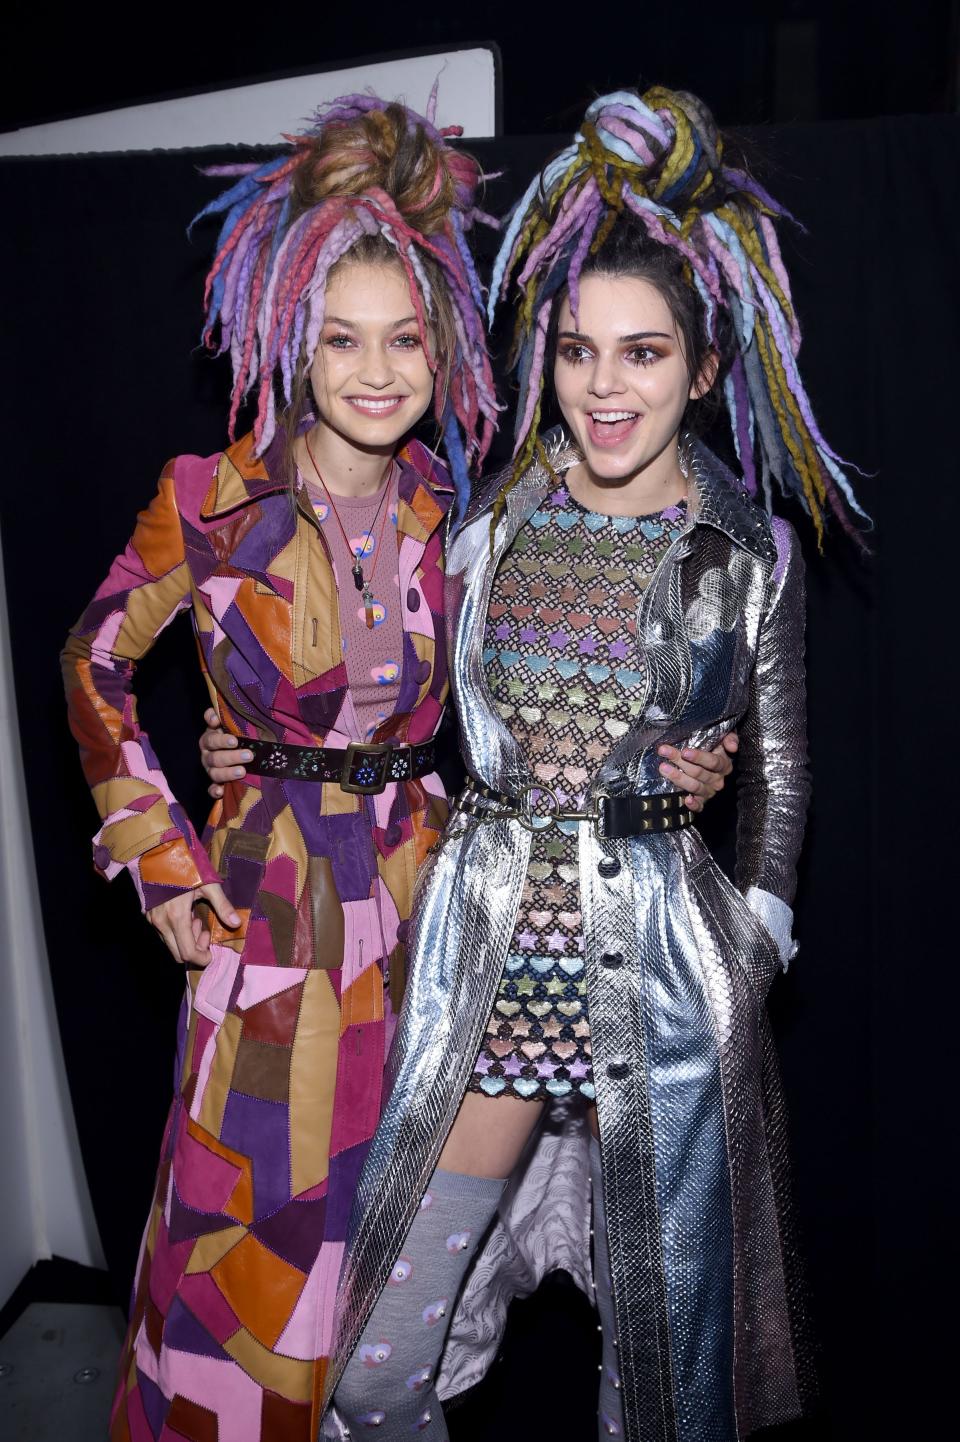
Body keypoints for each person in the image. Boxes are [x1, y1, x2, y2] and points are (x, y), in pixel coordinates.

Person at [309, 87, 867, 1441]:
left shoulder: (753, 552)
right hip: (497, 962)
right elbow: (372, 666)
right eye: (576, 351)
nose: (604, 387)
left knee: (665, 1387)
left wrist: (757, 938)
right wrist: (262, 746)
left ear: (704, 367)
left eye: (643, 353)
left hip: (667, 974)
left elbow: (780, 773)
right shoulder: (485, 517)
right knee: (374, 1368)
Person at [61, 93, 503, 1442]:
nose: (377, 371)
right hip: (266, 921)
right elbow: (91, 662)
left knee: (391, 1272)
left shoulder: (447, 506)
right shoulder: (209, 498)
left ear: (443, 344)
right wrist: (167, 870)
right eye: (340, 339)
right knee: (244, 1264)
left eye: (405, 338)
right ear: (289, 342)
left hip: (421, 916)